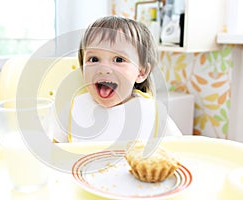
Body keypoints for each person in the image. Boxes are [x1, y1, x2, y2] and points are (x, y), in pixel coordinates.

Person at [53, 16, 182, 143]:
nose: (103, 69)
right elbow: (55, 154)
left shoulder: (153, 114)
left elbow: (181, 152)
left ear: (141, 72)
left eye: (119, 60)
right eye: (94, 59)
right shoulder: (73, 108)